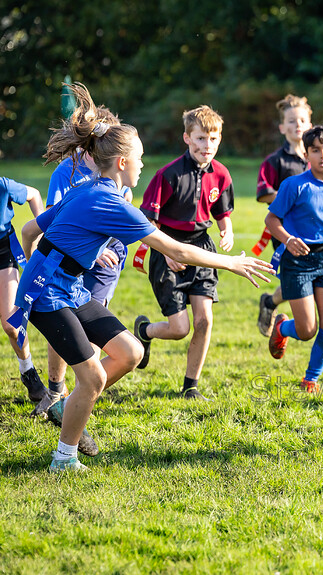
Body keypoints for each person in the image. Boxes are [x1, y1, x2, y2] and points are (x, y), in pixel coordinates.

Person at [15, 83, 271, 473]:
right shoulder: (108, 201)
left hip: (71, 288)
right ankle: (63, 458)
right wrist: (232, 263)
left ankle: (70, 408)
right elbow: (177, 250)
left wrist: (37, 263)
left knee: (131, 353)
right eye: (140, 158)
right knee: (94, 376)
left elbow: (29, 232)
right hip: (50, 296)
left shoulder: (89, 189)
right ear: (121, 163)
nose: (143, 165)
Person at [32, 105, 134, 419]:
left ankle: (77, 398)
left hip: (104, 262)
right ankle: (57, 390)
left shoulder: (117, 168)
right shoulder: (67, 171)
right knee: (65, 326)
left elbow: (120, 210)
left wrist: (108, 246)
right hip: (68, 262)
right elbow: (54, 220)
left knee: (94, 334)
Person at [134, 104, 236, 401]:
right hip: (167, 245)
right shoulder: (168, 175)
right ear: (187, 138)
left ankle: (190, 386)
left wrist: (226, 230)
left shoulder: (222, 174)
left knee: (205, 321)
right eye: (201, 138)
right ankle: (146, 331)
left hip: (202, 247)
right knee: (179, 328)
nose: (208, 145)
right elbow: (148, 221)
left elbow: (221, 211)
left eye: (213, 139)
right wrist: (167, 252)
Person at [265, 124, 323, 393]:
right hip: (297, 260)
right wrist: (288, 239)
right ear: (306, 155)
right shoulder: (294, 185)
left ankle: (311, 379)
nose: (322, 156)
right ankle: (283, 328)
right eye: (315, 150)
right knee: (307, 330)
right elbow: (271, 219)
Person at [255, 95, 312, 337]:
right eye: (290, 121)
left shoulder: (318, 157)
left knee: (316, 282)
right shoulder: (275, 161)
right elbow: (264, 193)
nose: (296, 125)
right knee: (300, 282)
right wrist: (290, 197)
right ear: (282, 127)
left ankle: (270, 302)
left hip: (315, 230)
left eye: (301, 120)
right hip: (285, 232)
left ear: (310, 124)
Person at [0, 177, 46, 403]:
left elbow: (34, 194)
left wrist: (45, 232)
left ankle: (28, 371)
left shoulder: (3, 185)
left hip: (2, 252)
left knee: (12, 324)